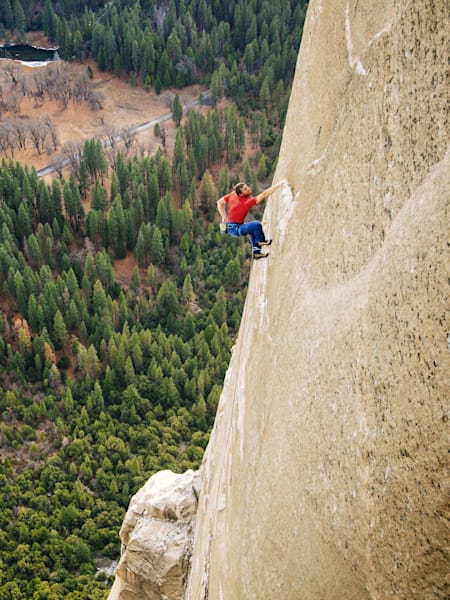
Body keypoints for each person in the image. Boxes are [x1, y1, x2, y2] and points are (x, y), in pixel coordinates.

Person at [217, 181, 283, 259]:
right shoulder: (247, 202)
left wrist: (224, 217)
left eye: (247, 186)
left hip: (232, 226)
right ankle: (260, 241)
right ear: (241, 194)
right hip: (235, 229)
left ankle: (256, 253)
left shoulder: (233, 194)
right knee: (256, 225)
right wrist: (279, 185)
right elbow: (264, 194)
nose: (248, 189)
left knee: (252, 231)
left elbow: (220, 202)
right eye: (245, 189)